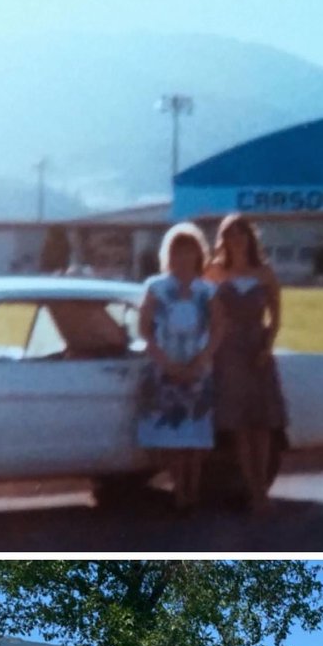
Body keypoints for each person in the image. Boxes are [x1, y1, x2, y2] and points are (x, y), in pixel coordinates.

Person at [204, 213, 286, 513]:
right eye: (229, 234)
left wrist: (267, 344)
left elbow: (276, 315)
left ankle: (262, 489)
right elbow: (203, 308)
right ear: (222, 239)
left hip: (257, 349)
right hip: (227, 352)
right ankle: (252, 489)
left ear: (250, 237)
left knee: (261, 424)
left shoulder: (264, 273)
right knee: (239, 425)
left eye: (241, 233)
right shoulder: (213, 272)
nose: (235, 239)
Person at [136, 223, 218, 510]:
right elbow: (144, 329)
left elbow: (218, 330)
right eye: (177, 252)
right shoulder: (155, 287)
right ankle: (177, 489)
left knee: (194, 437)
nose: (183, 257)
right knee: (170, 436)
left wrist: (200, 361)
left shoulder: (207, 290)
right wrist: (166, 362)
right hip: (163, 370)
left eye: (189, 251)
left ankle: (191, 491)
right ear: (168, 255)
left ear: (199, 254)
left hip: (198, 370)